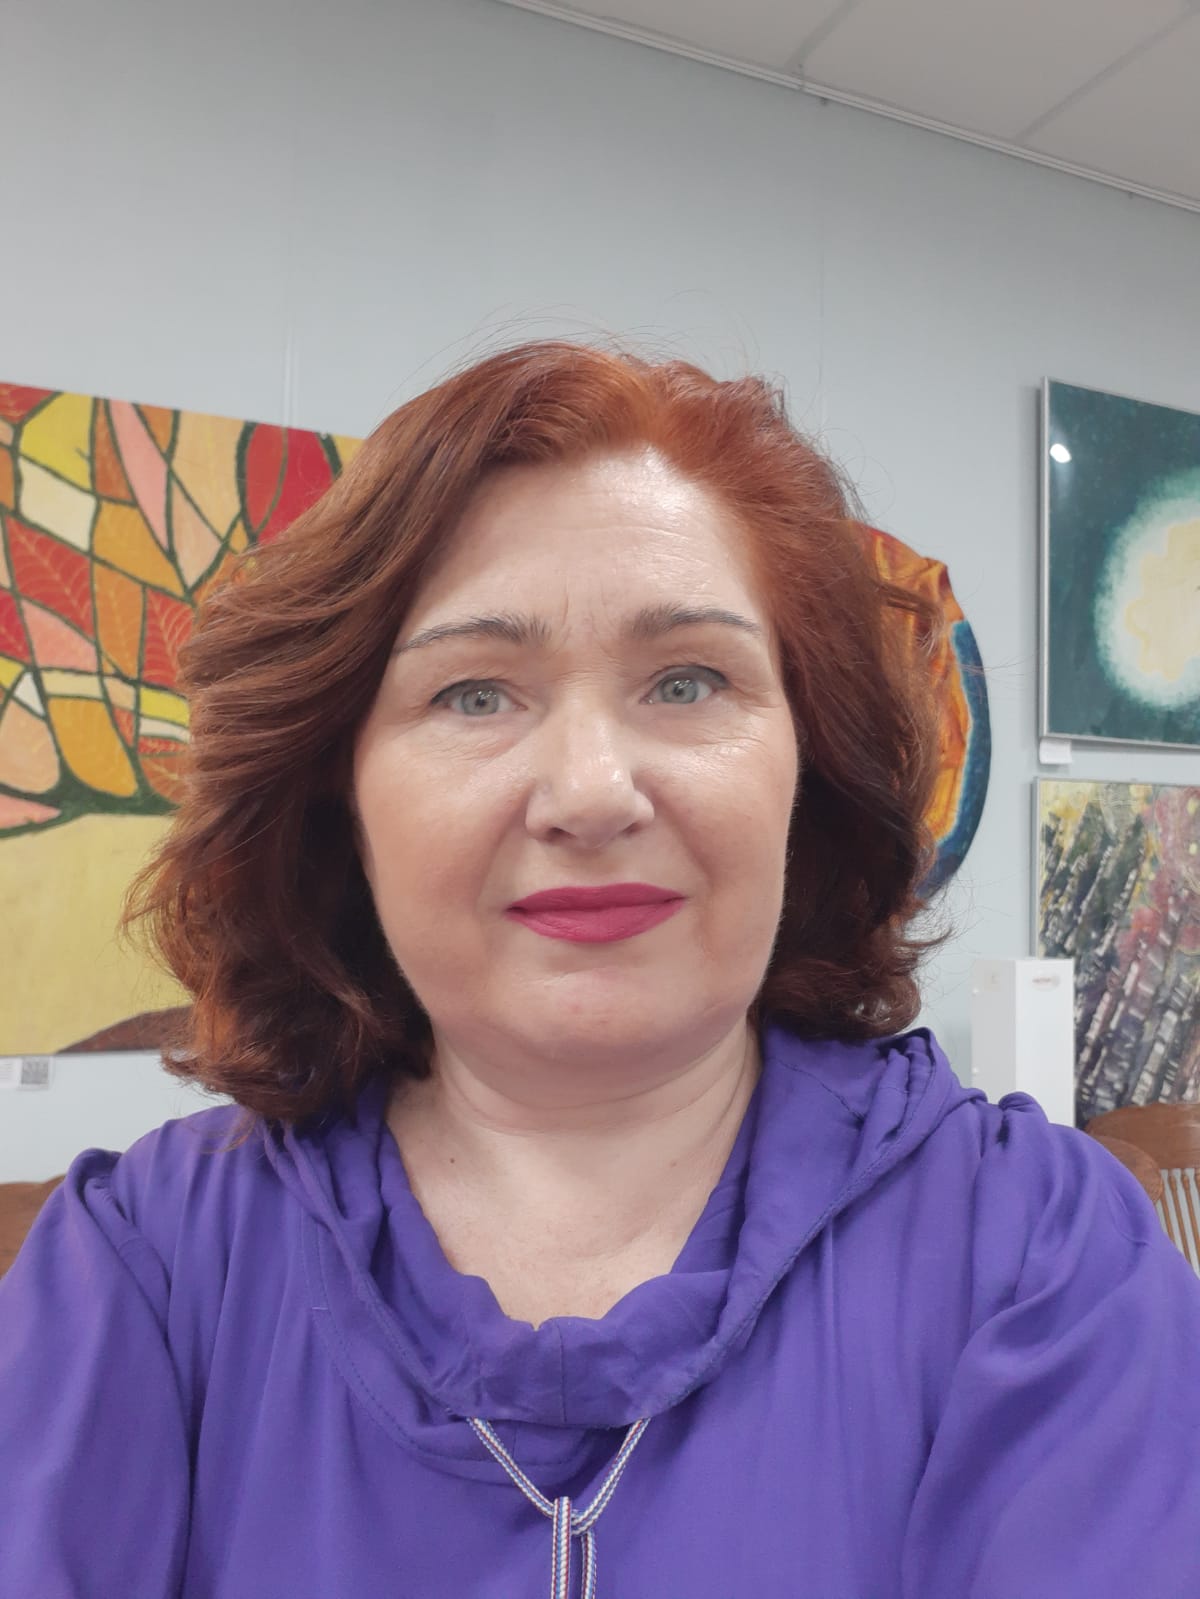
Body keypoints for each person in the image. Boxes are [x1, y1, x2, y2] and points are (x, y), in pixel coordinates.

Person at [2, 340, 1198, 1599]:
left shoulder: (1037, 1260)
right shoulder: (146, 1274)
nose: (589, 793)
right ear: (338, 794)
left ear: (808, 772)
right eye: (474, 695)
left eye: (686, 681)